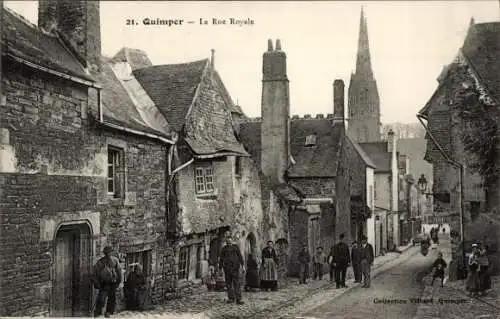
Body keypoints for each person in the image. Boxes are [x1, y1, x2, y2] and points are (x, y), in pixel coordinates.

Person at [92, 246, 122, 317]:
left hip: (113, 283)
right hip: (104, 283)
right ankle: (98, 312)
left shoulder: (115, 260)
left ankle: (108, 312)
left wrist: (119, 281)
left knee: (112, 298)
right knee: (101, 299)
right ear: (105, 253)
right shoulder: (100, 262)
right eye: (107, 252)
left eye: (110, 252)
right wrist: (96, 283)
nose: (109, 254)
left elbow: (119, 271)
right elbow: (95, 273)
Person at [219, 235, 245, 304]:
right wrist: (220, 268)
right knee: (228, 284)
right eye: (227, 241)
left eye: (230, 241)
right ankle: (231, 298)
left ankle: (239, 299)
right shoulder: (224, 249)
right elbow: (221, 259)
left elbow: (240, 256)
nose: (229, 242)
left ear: (232, 241)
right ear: (226, 242)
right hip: (227, 268)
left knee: (237, 283)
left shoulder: (235, 247)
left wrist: (243, 266)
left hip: (235, 268)